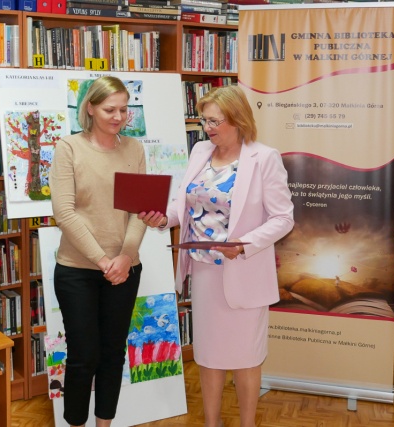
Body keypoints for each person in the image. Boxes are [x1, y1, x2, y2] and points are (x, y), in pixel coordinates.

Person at [140, 85, 294, 427]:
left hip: (244, 272)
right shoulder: (200, 152)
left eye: (214, 121)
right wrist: (164, 218)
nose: (207, 128)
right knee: (209, 356)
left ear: (237, 120)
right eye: (204, 120)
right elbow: (185, 203)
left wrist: (244, 244)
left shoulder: (264, 158)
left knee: (246, 357)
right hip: (205, 273)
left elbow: (284, 218)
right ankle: (212, 423)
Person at [50, 76, 147, 427]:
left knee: (112, 354)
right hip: (77, 270)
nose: (118, 116)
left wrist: (125, 257)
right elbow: (64, 213)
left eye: (123, 109)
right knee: (83, 356)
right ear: (90, 108)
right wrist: (104, 261)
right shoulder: (69, 148)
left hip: (124, 268)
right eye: (109, 109)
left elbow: (140, 211)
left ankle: (104, 424)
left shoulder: (134, 150)